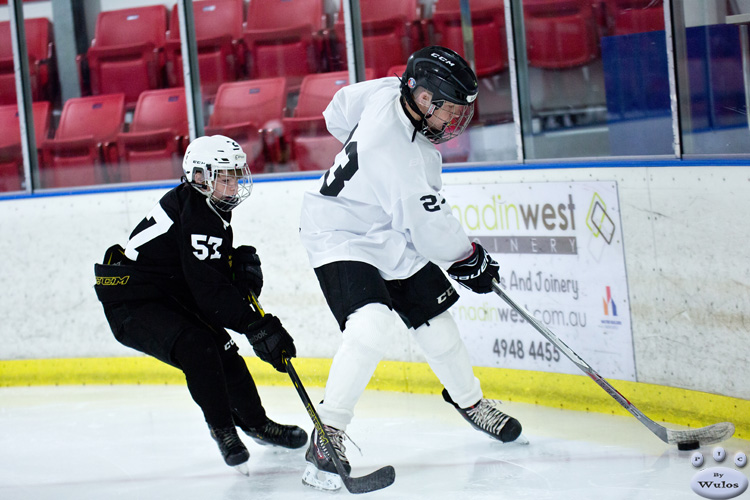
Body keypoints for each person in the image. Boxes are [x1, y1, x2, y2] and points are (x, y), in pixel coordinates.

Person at [298, 46, 523, 490]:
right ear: (423, 100)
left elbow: (336, 111)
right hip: (341, 233)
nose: (456, 122)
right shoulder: (394, 150)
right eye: (451, 112)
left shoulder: (387, 89)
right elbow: (429, 229)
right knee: (370, 326)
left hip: (388, 230)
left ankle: (470, 403)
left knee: (436, 324)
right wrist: (467, 258)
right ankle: (327, 435)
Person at [94, 135, 307, 473]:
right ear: (198, 177)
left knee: (225, 354)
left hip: (170, 294)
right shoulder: (198, 214)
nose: (234, 183)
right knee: (199, 347)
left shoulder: (206, 207)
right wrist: (255, 324)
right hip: (133, 303)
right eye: (224, 176)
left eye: (236, 174)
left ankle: (256, 424)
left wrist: (234, 271)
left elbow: (202, 273)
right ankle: (224, 430)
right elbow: (209, 294)